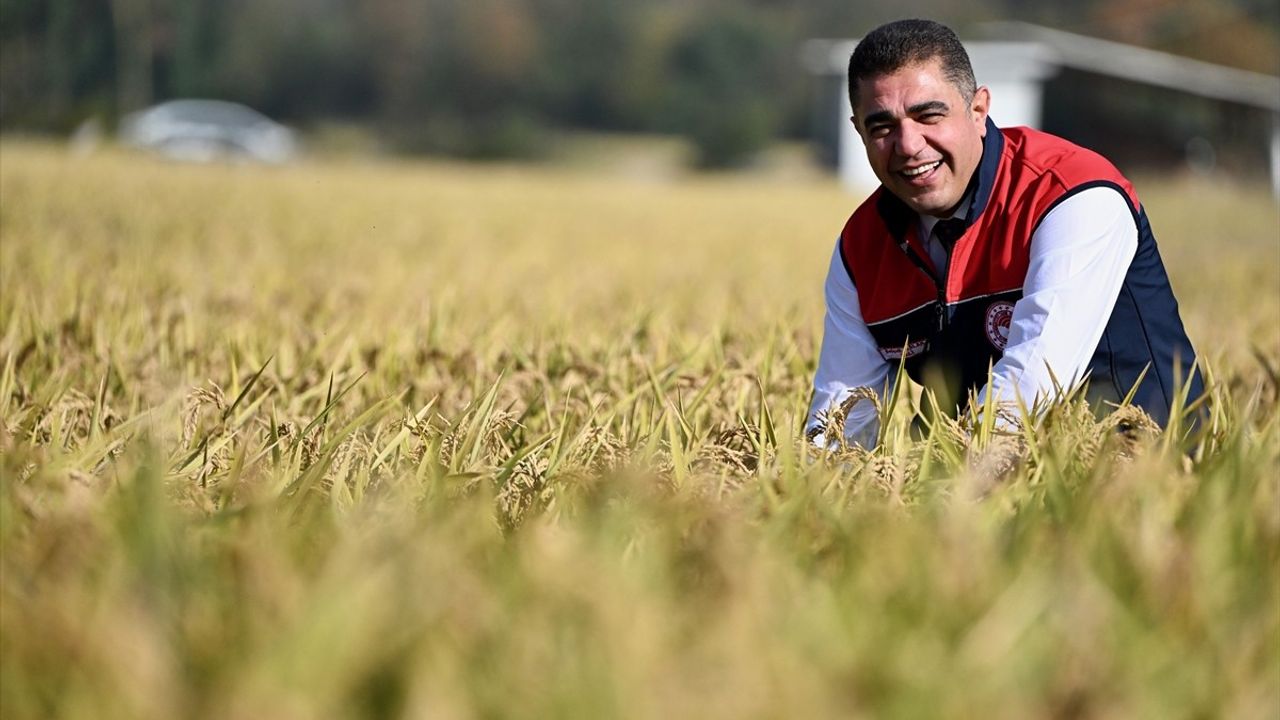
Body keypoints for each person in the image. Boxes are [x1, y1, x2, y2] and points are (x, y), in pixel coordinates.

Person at [805, 18, 1202, 448]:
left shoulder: (1071, 193)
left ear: (978, 111)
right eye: (882, 127)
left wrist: (943, 493)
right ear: (859, 132)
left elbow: (1030, 388)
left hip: (1148, 479)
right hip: (981, 493)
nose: (908, 145)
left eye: (928, 115)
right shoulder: (860, 249)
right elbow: (840, 422)